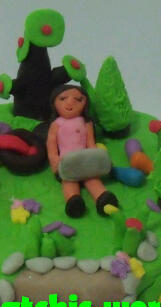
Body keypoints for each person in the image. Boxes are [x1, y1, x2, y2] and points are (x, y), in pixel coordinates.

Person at [46, 85, 118, 218]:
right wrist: (54, 159)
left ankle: (103, 199)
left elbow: (90, 142)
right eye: (63, 98)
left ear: (85, 104)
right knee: (69, 182)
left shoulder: (86, 123)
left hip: (86, 160)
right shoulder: (56, 124)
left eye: (78, 99)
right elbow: (51, 143)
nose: (70, 103)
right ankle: (74, 201)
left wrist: (96, 158)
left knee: (92, 179)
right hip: (66, 162)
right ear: (54, 103)